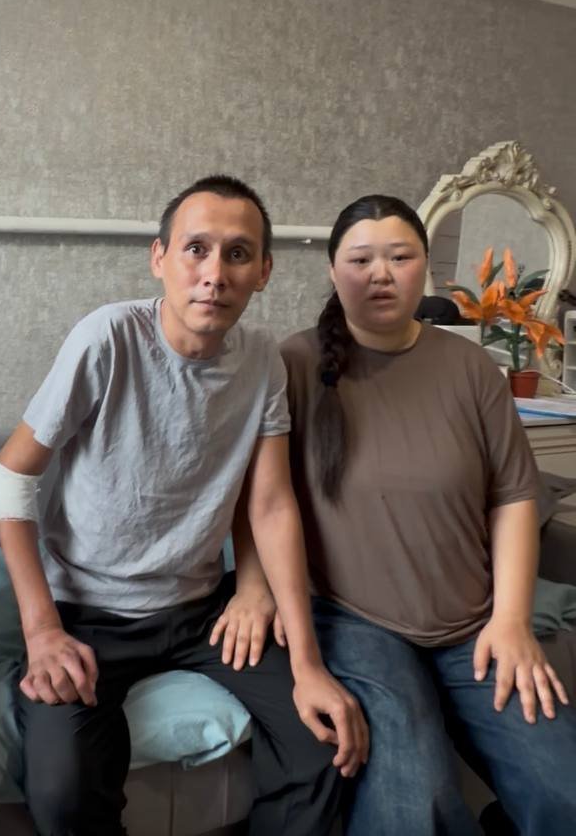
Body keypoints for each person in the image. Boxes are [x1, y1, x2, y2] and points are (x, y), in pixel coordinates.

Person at [0, 174, 368, 836]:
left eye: (237, 254)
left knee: (323, 745)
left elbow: (270, 504)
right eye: (196, 249)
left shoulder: (262, 359)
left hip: (200, 611)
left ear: (263, 272)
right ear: (159, 258)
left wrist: (297, 651)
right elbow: (9, 479)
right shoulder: (107, 338)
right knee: (63, 790)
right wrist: (41, 629)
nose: (214, 274)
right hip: (86, 612)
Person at [219, 193, 576, 836]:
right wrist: (251, 586)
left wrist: (512, 619)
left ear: (424, 268)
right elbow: (258, 496)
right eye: (361, 260)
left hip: (473, 622)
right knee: (415, 808)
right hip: (355, 623)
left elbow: (514, 497)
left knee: (565, 792)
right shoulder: (292, 365)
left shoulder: (472, 368)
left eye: (400, 257)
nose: (380, 274)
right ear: (334, 272)